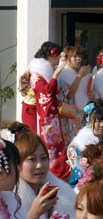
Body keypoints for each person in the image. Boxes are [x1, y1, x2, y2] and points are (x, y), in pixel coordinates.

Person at [0, 122, 76, 219]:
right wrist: (35, 213)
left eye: (44, 158)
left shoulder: (57, 193)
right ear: (17, 163)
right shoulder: (8, 201)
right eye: (32, 159)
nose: (40, 165)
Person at [28, 41, 69, 179]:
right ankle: (52, 174)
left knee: (56, 145)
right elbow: (45, 94)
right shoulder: (36, 74)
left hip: (51, 115)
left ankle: (59, 173)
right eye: (58, 56)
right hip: (45, 116)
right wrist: (56, 73)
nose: (59, 59)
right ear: (50, 55)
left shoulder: (46, 71)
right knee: (49, 146)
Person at [56, 46, 92, 144]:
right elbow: (69, 94)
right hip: (69, 115)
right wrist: (79, 76)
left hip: (81, 114)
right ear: (67, 58)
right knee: (71, 143)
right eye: (75, 56)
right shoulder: (62, 73)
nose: (78, 59)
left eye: (79, 56)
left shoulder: (79, 71)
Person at [68, 100, 103, 188]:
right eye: (98, 121)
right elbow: (80, 169)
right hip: (85, 182)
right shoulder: (82, 142)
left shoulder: (99, 137)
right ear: (90, 123)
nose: (102, 125)